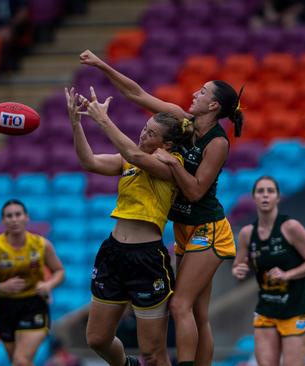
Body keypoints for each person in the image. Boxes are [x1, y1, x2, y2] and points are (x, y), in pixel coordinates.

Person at [79, 49, 242, 366]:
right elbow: (136, 92)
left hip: (208, 228)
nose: (195, 93)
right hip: (183, 228)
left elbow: (195, 192)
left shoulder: (218, 143)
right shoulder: (182, 121)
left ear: (214, 105)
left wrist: (173, 165)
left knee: (181, 305)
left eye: (203, 91)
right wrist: (102, 65)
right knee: (197, 311)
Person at [65, 86, 193, 366]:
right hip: (113, 253)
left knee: (152, 352)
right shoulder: (128, 160)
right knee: (97, 339)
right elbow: (89, 161)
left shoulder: (171, 164)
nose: (143, 134)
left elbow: (136, 156)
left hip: (146, 258)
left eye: (151, 133)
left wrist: (102, 120)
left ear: (167, 144)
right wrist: (77, 125)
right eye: (144, 128)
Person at [231, 176, 305, 366]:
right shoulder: (247, 234)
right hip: (267, 310)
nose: (265, 195)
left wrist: (287, 275)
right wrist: (239, 271)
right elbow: (239, 268)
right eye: (260, 191)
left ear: (278, 198)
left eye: (270, 191)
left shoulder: (290, 227)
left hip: (296, 308)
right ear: (254, 197)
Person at [0, 199, 65, 366]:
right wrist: (1, 286)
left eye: (18, 214)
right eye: (9, 216)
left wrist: (48, 285)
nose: (14, 219)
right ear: (3, 220)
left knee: (20, 361)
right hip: (5, 307)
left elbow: (59, 271)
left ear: (26, 217)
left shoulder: (41, 244)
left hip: (34, 304)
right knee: (18, 361)